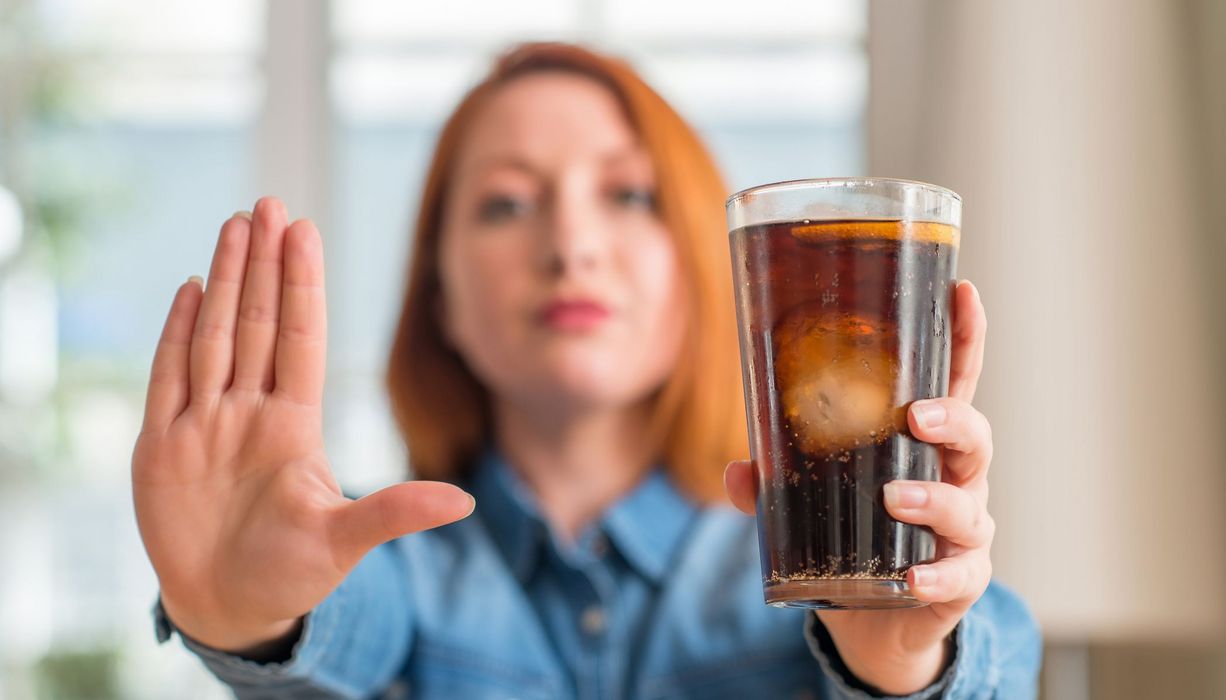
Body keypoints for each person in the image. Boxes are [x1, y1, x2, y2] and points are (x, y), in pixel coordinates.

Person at [132, 43, 1040, 699]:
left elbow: (1004, 651)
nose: (571, 244)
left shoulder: (821, 558)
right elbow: (343, 628)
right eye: (507, 203)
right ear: (439, 291)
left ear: (707, 265)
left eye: (629, 195)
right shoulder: (385, 560)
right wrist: (247, 614)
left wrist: (901, 666)